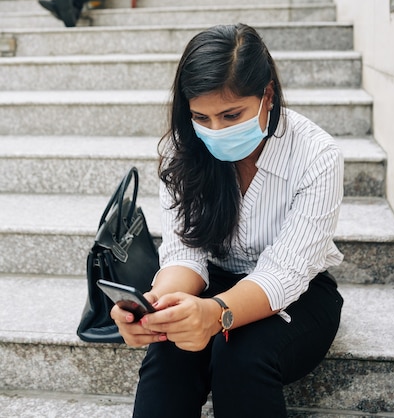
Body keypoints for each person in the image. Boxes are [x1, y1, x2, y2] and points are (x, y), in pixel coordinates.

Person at [112, 23, 345, 418]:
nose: (215, 130)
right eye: (200, 117)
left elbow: (285, 273)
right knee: (168, 353)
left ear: (267, 94)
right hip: (214, 279)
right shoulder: (182, 149)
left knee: (241, 357)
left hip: (301, 293)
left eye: (231, 114)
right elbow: (183, 250)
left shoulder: (316, 153)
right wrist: (159, 306)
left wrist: (215, 314)